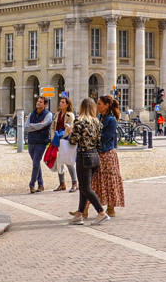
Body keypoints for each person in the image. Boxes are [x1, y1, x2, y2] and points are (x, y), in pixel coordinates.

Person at [67, 98, 107, 226]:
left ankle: (101, 213)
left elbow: (73, 141)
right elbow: (100, 142)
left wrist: (69, 132)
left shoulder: (79, 122)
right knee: (85, 187)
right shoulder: (97, 122)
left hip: (84, 156)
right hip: (95, 156)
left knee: (85, 187)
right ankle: (79, 214)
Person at [92, 95, 126, 217]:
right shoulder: (101, 117)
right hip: (100, 152)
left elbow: (106, 137)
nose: (97, 106)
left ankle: (111, 208)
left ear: (106, 106)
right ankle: (86, 209)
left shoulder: (110, 120)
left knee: (109, 180)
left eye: (99, 104)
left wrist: (93, 136)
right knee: (96, 181)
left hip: (107, 153)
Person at [24, 96, 52, 193]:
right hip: (31, 141)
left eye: (40, 102)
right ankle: (41, 184)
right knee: (36, 163)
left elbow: (43, 125)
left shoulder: (48, 115)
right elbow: (26, 127)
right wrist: (37, 126)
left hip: (41, 142)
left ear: (45, 105)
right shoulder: (32, 114)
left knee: (35, 163)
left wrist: (32, 126)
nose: (38, 103)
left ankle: (32, 184)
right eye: (38, 101)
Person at [50, 94, 77, 192]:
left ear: (67, 104)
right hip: (57, 140)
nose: (60, 103)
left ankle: (75, 183)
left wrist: (62, 137)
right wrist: (53, 137)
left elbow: (70, 128)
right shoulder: (57, 114)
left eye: (63, 102)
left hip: (66, 140)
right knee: (59, 161)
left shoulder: (70, 115)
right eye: (60, 102)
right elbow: (53, 127)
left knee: (69, 162)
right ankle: (62, 183)